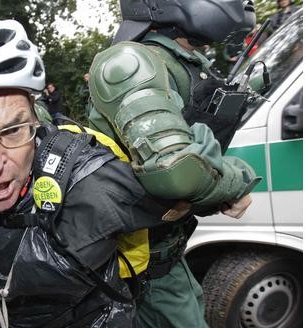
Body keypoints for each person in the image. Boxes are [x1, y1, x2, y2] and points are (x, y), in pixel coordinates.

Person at [0, 10, 242, 327]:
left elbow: (178, 186)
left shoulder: (88, 182)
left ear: (35, 114)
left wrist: (234, 183)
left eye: (13, 130)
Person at [87, 1, 260, 327]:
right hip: (135, 270)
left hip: (163, 258)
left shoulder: (182, 63)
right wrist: (238, 178)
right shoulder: (131, 63)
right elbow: (177, 173)